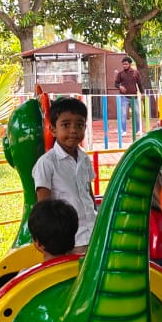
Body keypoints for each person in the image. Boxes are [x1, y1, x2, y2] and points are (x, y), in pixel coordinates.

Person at [31, 97, 96, 252]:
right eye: (66, 125)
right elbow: (44, 207)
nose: (73, 130)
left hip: (95, 234)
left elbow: (89, 193)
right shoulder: (46, 163)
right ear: (53, 129)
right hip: (71, 241)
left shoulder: (84, 159)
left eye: (79, 125)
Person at [114, 57, 144, 135]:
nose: (124, 66)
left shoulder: (135, 72)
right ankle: (123, 130)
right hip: (124, 97)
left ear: (130, 64)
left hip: (134, 97)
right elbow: (116, 84)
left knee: (137, 113)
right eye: (123, 64)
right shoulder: (120, 73)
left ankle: (138, 130)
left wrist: (142, 93)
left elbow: (139, 84)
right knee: (123, 114)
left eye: (126, 64)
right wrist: (120, 86)